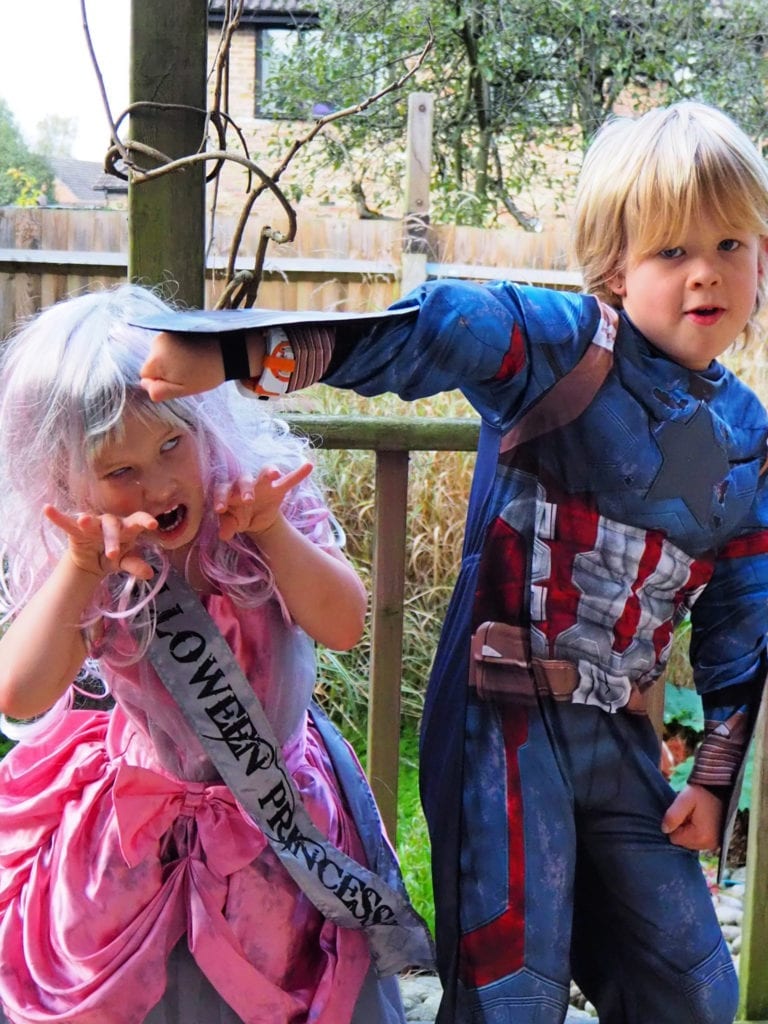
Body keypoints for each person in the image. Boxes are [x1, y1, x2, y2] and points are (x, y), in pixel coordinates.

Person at [140, 101, 768, 1024]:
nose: (705, 272)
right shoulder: (564, 346)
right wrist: (245, 353)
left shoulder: (751, 436)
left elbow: (741, 616)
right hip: (502, 729)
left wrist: (714, 775)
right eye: (671, 251)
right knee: (512, 989)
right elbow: (442, 326)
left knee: (695, 987)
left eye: (729, 244)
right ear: (614, 267)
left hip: (620, 736)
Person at [0, 285, 429, 1024]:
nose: (160, 483)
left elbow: (344, 623)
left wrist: (273, 535)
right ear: (65, 480)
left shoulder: (260, 506)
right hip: (141, 840)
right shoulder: (88, 559)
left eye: (172, 445)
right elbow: (20, 694)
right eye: (119, 470)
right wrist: (77, 572)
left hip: (282, 817)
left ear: (206, 423)